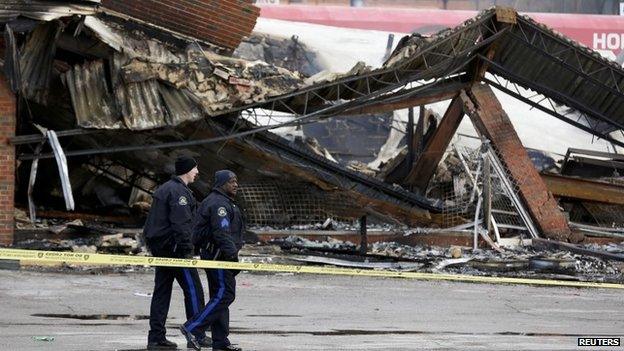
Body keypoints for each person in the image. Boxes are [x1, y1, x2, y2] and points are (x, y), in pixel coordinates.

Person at [143, 156, 211, 350]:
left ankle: (156, 338)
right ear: (187, 170)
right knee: (194, 290)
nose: (197, 172)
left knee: (162, 293)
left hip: (161, 249)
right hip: (175, 251)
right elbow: (181, 225)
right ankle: (196, 334)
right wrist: (187, 250)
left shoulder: (165, 188)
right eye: (195, 169)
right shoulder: (178, 192)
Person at [180, 170, 245, 351]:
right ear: (222, 184)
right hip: (219, 257)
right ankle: (193, 328)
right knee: (225, 295)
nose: (235, 184)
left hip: (219, 256)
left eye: (236, 181)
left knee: (220, 297)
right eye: (232, 181)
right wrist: (232, 257)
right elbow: (222, 233)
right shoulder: (219, 204)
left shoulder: (222, 202)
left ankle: (220, 341)